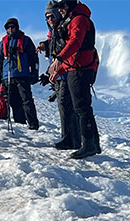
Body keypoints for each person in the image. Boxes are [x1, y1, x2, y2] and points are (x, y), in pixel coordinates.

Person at [48, 0, 100, 158]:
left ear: (69, 4)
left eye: (62, 6)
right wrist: (60, 69)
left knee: (82, 107)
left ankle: (89, 144)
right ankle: (87, 143)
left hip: (81, 70)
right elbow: (72, 55)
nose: (60, 10)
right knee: (75, 106)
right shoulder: (72, 18)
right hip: (75, 68)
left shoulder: (79, 19)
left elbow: (75, 43)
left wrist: (59, 59)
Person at [37, 0, 80, 149]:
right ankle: (71, 138)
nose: (49, 20)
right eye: (47, 17)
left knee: (66, 105)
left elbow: (64, 51)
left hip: (66, 72)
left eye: (51, 16)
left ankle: (70, 139)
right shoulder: (54, 32)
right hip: (60, 74)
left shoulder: (62, 30)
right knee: (65, 105)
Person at [0, 18, 39, 130]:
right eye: (8, 27)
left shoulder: (26, 41)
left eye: (12, 27)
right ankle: (20, 123)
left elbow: (33, 58)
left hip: (22, 75)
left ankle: (33, 124)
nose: (10, 29)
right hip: (7, 76)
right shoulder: (2, 43)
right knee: (13, 101)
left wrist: (34, 73)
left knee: (27, 100)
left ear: (17, 27)